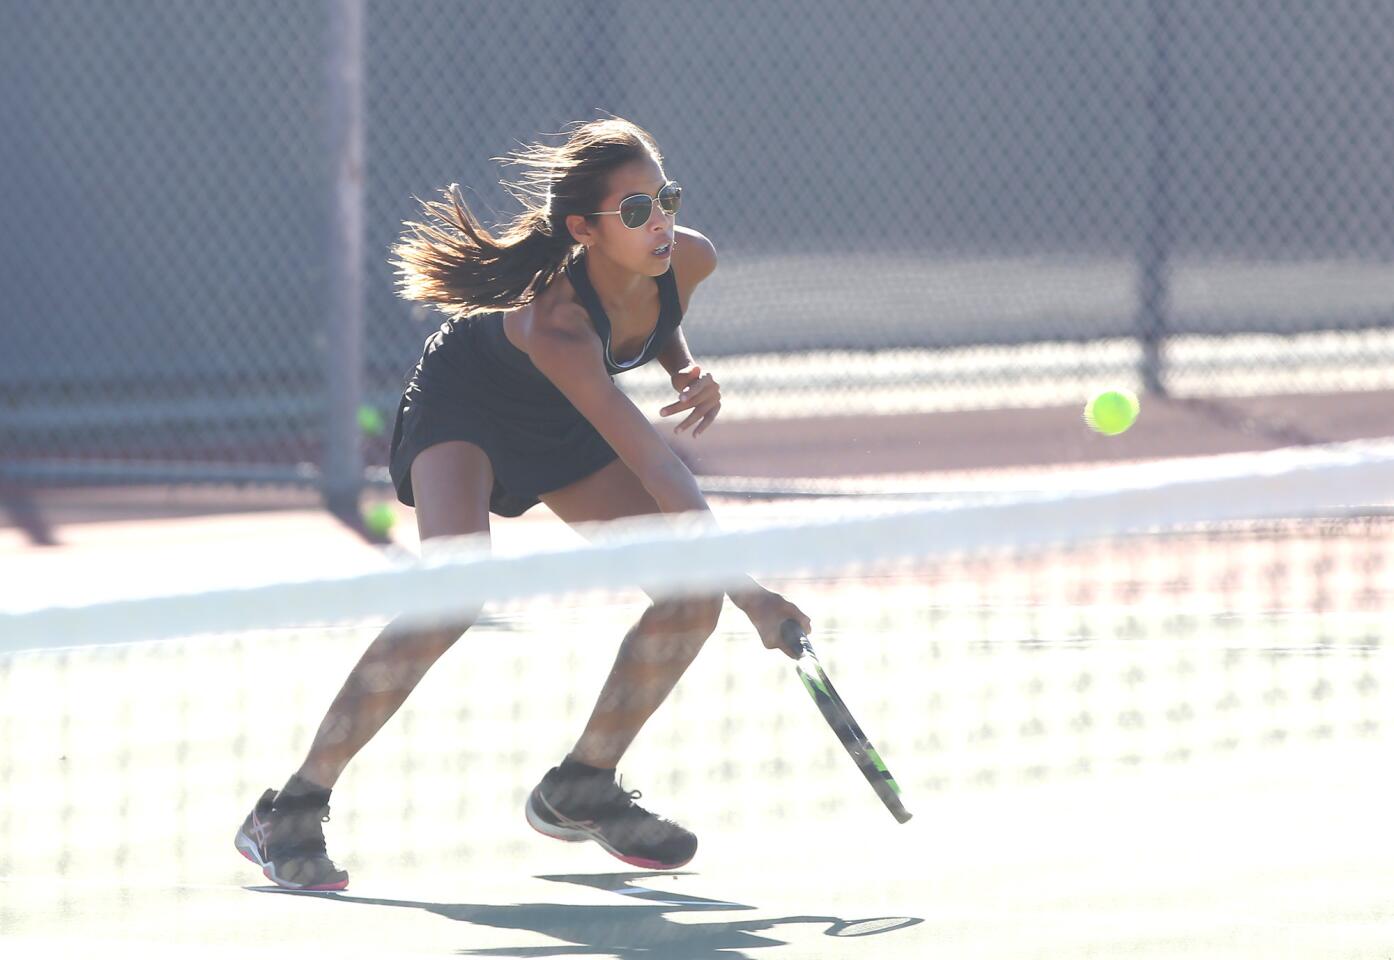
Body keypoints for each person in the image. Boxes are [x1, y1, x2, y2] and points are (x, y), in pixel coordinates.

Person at [234, 118, 811, 890]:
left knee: (687, 598)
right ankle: (291, 807)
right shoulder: (559, 324)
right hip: (466, 405)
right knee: (452, 597)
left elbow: (654, 314)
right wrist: (755, 598)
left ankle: (582, 786)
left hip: (562, 414)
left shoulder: (688, 258)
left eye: (665, 198)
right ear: (584, 229)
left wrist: (684, 369)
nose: (662, 221)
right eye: (635, 211)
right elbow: (663, 472)